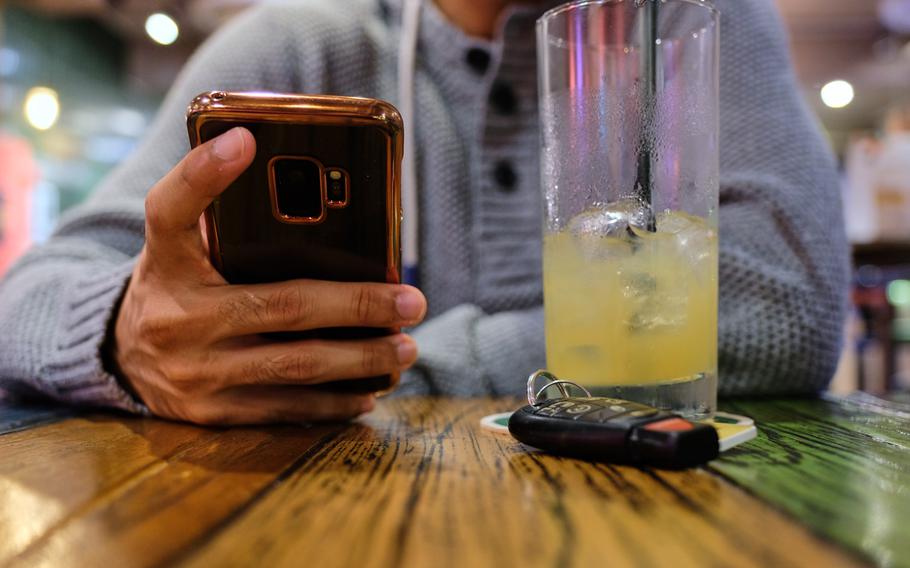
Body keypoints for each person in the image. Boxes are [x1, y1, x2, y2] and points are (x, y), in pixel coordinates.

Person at [0, 0, 849, 424]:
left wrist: (396, 365)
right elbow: (26, 303)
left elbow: (786, 307)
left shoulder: (687, 26)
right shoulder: (293, 44)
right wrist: (122, 332)